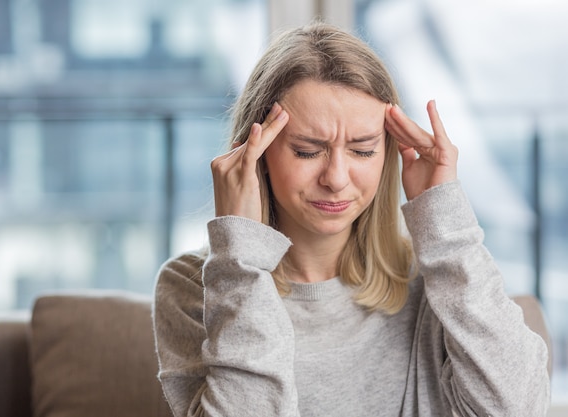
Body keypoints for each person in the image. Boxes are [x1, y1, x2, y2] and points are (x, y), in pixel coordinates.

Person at [152, 21, 550, 416]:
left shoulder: (438, 275)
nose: (337, 179)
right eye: (308, 151)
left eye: (362, 150)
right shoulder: (194, 288)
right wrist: (239, 257)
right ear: (256, 155)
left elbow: (520, 408)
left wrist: (444, 219)